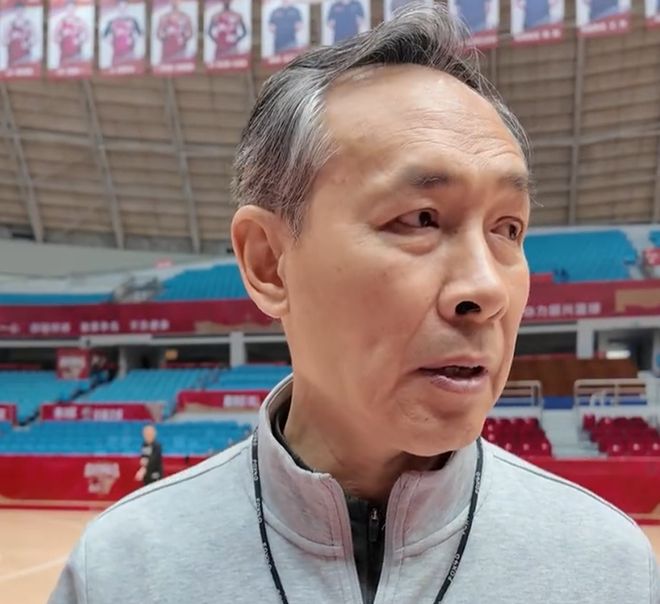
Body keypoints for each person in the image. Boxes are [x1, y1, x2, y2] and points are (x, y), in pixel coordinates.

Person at [49, 6, 659, 604]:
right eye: (421, 219)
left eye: (508, 228)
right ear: (269, 262)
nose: (488, 288)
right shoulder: (121, 571)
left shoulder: (610, 571)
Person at [102, 0, 143, 67]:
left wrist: (133, 40)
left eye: (124, 7)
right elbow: (104, 36)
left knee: (130, 69)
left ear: (127, 7)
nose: (122, 9)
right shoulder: (112, 21)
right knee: (116, 70)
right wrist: (112, 42)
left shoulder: (133, 20)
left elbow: (140, 34)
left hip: (130, 54)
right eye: (120, 7)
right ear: (117, 8)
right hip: (117, 54)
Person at [54, 0, 88, 67]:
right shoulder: (62, 22)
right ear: (65, 9)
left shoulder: (79, 21)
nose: (70, 10)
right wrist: (62, 35)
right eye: (68, 8)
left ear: (75, 8)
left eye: (72, 8)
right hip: (65, 55)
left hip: (77, 54)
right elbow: (55, 38)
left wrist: (80, 40)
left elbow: (87, 34)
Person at [3, 2, 34, 67]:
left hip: (25, 56)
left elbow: (35, 38)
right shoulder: (10, 24)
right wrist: (11, 38)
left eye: (21, 10)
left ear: (24, 11)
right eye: (18, 10)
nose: (19, 12)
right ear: (15, 11)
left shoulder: (29, 24)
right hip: (13, 57)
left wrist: (28, 43)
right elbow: (4, 41)